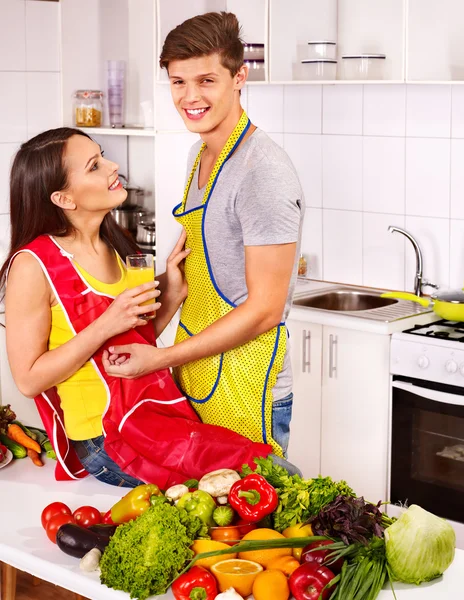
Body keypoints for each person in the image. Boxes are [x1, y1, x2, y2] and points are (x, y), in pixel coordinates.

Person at [1, 127, 272, 488]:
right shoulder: (34, 265)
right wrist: (105, 323)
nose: (113, 166)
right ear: (64, 199)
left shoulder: (115, 243)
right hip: (104, 439)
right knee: (245, 481)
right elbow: (29, 379)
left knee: (266, 467)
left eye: (103, 155)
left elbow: (134, 339)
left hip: (152, 419)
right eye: (95, 165)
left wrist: (172, 293)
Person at [104, 12, 305, 464]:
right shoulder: (201, 154)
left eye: (206, 80)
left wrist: (158, 357)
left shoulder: (262, 172)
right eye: (178, 82)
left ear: (239, 77)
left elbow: (265, 309)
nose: (190, 98)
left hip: (249, 384)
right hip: (198, 374)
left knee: (248, 529)